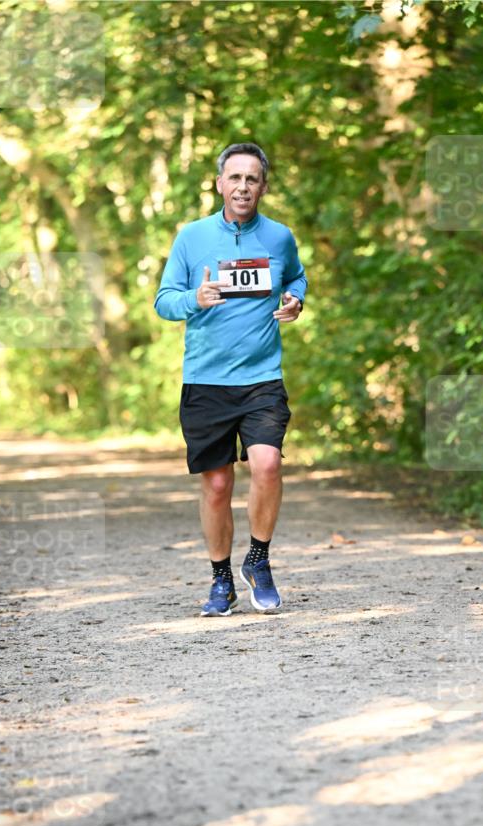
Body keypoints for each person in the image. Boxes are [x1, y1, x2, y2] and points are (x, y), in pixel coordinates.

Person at [154, 142, 307, 617]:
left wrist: (295, 301)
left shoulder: (279, 237)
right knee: (217, 486)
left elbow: (297, 278)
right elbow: (163, 300)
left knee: (266, 465)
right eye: (235, 177)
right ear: (220, 183)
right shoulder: (191, 237)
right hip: (206, 381)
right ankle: (221, 579)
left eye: (252, 178)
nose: (243, 186)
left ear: (264, 186)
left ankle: (258, 560)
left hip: (262, 378)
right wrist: (193, 300)